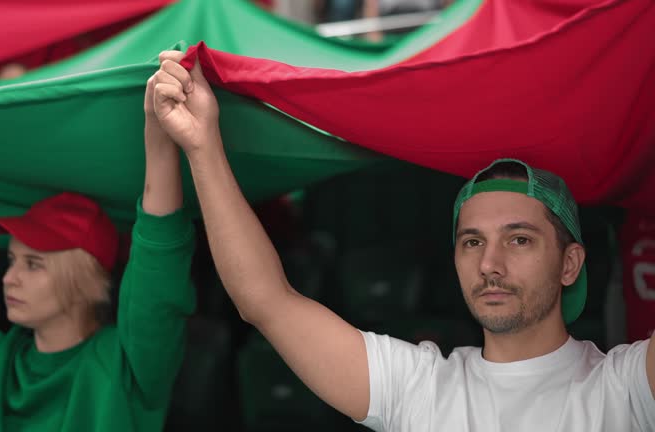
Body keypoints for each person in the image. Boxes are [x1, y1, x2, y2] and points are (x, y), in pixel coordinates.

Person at [149, 50, 655, 431]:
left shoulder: (627, 387)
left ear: (570, 264)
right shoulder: (418, 385)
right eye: (472, 242)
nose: (490, 263)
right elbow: (266, 300)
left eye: (519, 240)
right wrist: (202, 144)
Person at [0, 51, 196, 431]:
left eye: (33, 264)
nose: (8, 278)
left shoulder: (127, 367)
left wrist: (159, 135)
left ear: (83, 278)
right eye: (12, 260)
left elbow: (159, 268)